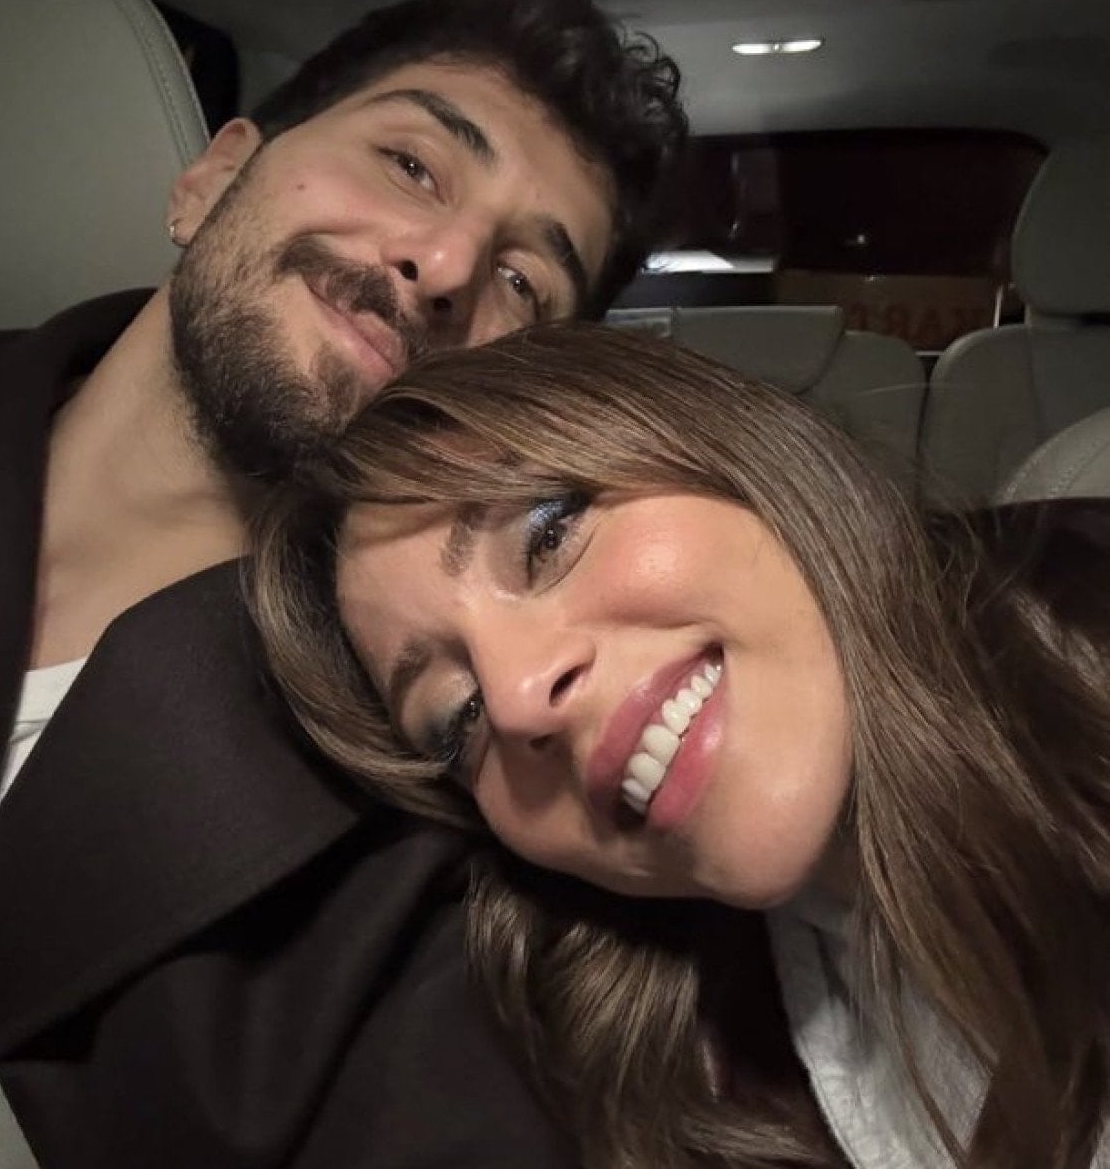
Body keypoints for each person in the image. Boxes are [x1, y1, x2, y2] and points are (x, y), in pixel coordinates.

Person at [0, 0, 688, 1168]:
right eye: (413, 164)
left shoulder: (432, 843)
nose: (445, 263)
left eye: (523, 283)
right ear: (212, 177)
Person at [252, 324, 1110, 1169]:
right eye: (456, 716)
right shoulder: (656, 1067)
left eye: (547, 534)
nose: (516, 699)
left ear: (736, 446)